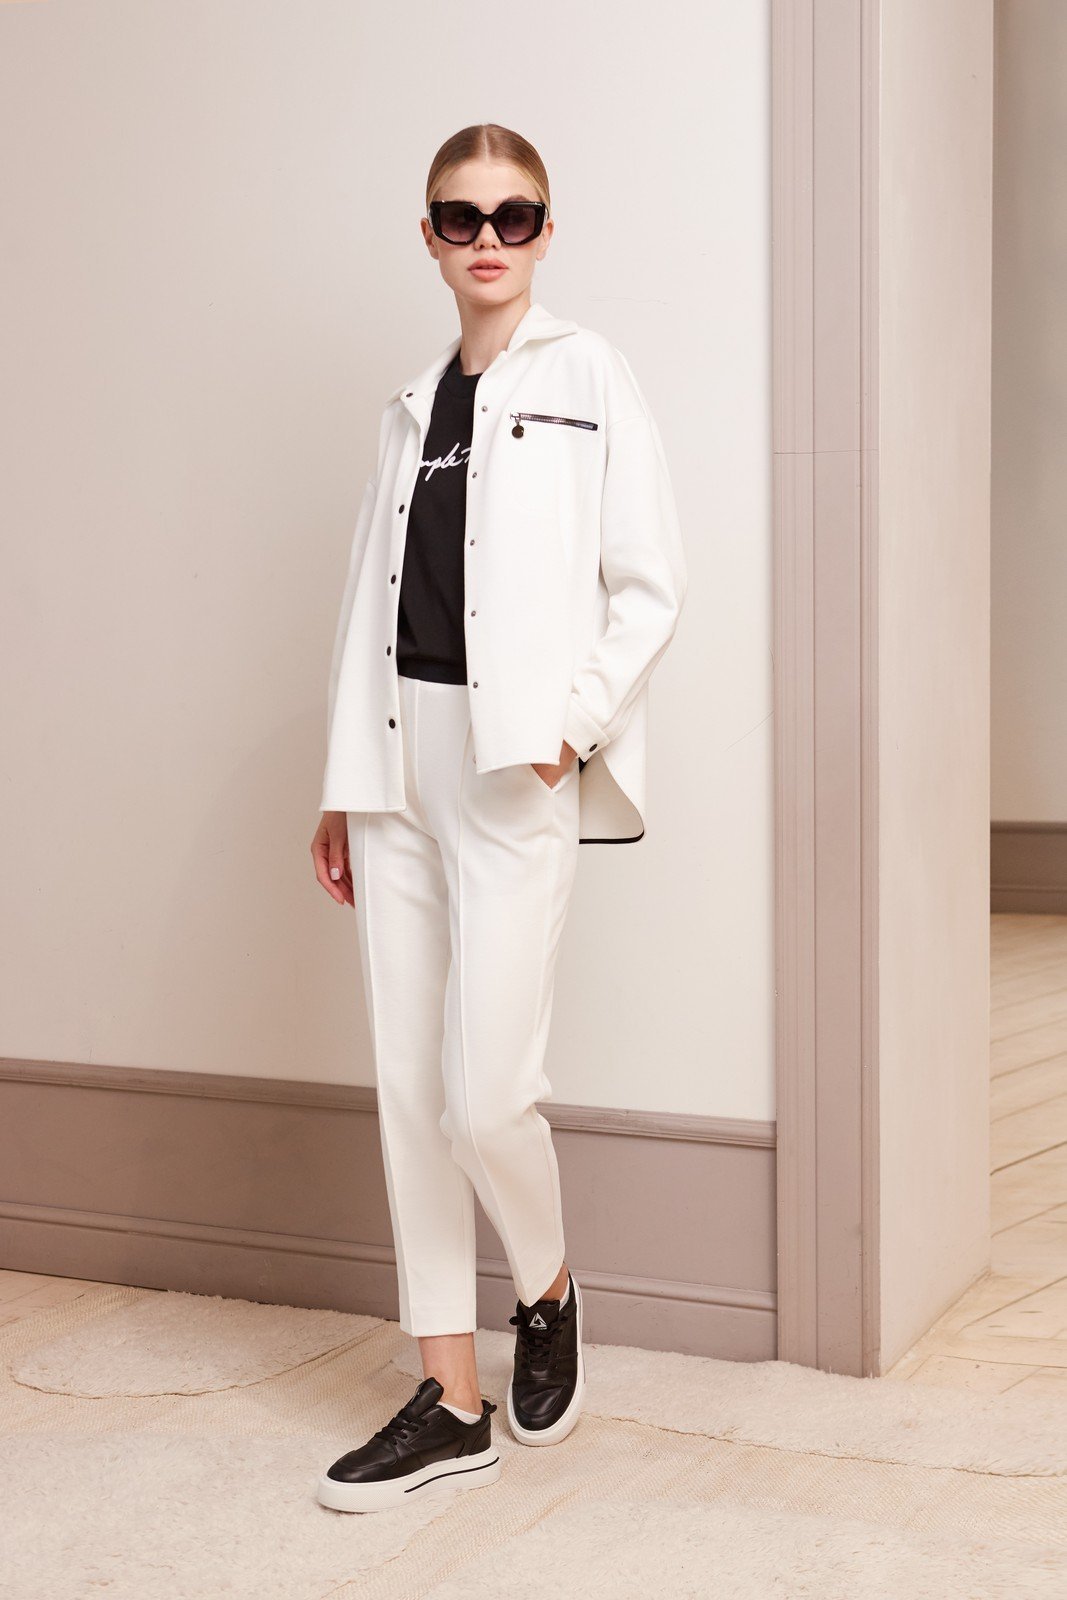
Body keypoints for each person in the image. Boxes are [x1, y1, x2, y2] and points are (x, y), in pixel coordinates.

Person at [310, 122, 687, 1514]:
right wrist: (344, 782)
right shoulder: (411, 406)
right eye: (462, 217)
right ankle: (451, 1400)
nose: (488, 238)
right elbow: (370, 599)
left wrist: (570, 729)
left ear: (544, 229)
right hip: (398, 759)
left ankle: (548, 1285)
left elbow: (650, 581)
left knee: (485, 1095)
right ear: (428, 234)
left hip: (511, 760)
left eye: (514, 215)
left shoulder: (590, 375)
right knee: (409, 1090)